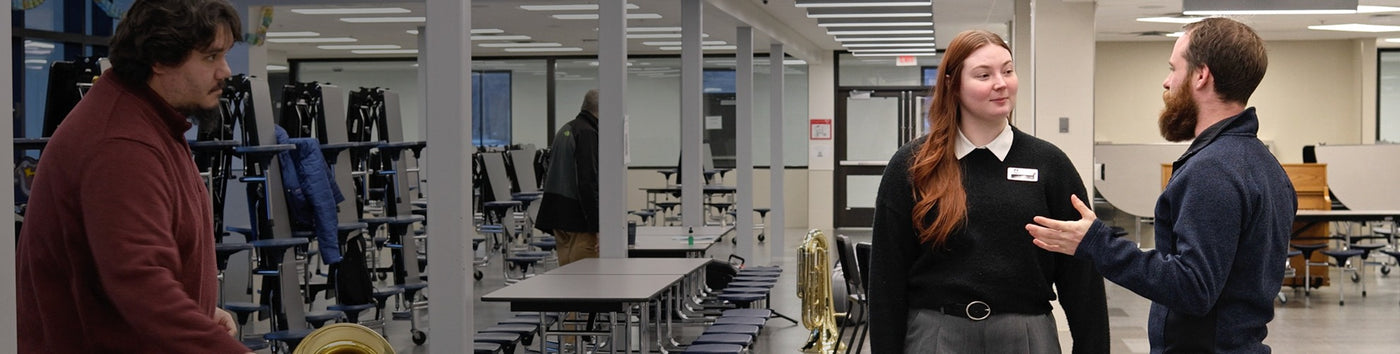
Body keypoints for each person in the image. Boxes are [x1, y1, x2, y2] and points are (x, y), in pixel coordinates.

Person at [1026, 18, 1295, 353]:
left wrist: (1098, 243)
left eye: (1173, 68)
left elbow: (1193, 287)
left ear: (1201, 75)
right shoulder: (1264, 165)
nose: (1167, 83)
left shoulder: (1212, 170)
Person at [15, 0, 252, 353]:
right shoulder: (120, 144)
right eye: (210, 57)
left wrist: (200, 311)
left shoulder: (149, 122)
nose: (225, 71)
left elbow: (119, 264)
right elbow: (141, 284)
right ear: (159, 59)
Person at [868, 30, 1109, 353]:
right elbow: (886, 277)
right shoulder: (913, 165)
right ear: (953, 85)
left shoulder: (1050, 164)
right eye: (984, 75)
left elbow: (1082, 276)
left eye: (1008, 71)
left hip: (1025, 335)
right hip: (935, 336)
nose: (1001, 83)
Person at [537, 89, 601, 266]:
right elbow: (588, 182)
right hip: (579, 220)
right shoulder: (588, 133)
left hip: (559, 218)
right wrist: (597, 226)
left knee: (568, 279)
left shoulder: (567, 129)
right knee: (585, 281)